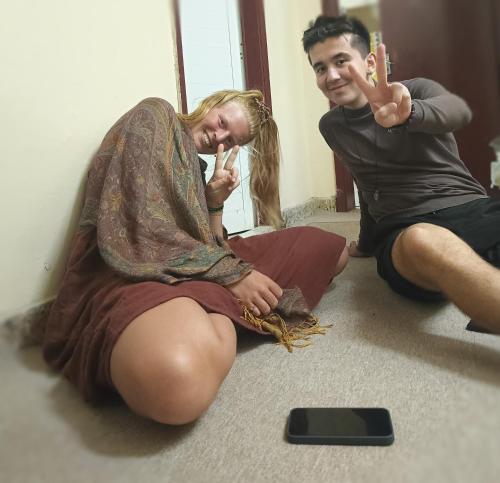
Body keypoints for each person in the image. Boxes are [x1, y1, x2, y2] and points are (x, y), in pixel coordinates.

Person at [42, 90, 348, 425]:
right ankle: (218, 306)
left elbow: (212, 244)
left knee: (330, 249)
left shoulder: (196, 166)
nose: (218, 136)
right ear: (212, 103)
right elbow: (142, 222)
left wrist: (214, 202)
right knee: (178, 385)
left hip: (196, 264)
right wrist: (234, 275)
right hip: (131, 263)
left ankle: (214, 301)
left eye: (230, 140)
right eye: (221, 123)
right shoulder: (156, 115)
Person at [302, 15, 500, 334]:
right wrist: (366, 242)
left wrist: (410, 114)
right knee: (424, 240)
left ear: (368, 61)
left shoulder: (414, 89)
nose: (332, 75)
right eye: (320, 68)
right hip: (408, 229)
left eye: (341, 61)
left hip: (472, 209)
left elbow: (458, 111)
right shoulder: (332, 126)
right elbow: (363, 182)